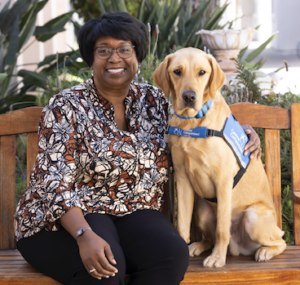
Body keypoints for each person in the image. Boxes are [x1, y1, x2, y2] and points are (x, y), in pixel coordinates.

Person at [14, 11, 261, 285]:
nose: (115, 58)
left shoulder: (154, 100)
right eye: (103, 50)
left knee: (171, 255)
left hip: (134, 212)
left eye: (124, 49)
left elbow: (199, 122)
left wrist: (243, 133)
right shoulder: (66, 105)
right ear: (90, 59)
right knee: (105, 269)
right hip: (69, 217)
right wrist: (84, 234)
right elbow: (53, 182)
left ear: (138, 56)